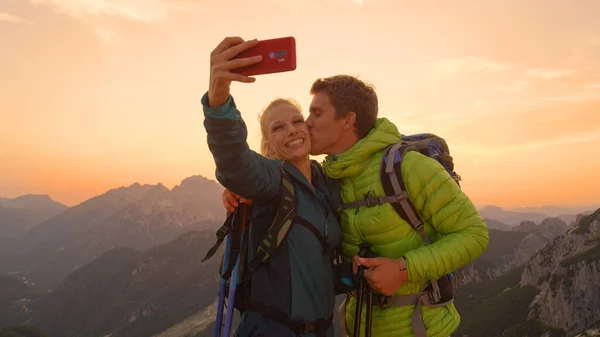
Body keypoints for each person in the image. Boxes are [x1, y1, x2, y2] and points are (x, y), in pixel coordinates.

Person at [221, 63, 490, 335]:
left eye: (313, 114)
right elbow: (244, 168)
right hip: (356, 326)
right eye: (283, 125)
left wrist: (403, 269)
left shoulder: (404, 168)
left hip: (418, 327)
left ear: (348, 120)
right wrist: (239, 188)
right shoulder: (329, 179)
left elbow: (475, 233)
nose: (306, 124)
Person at [202, 36, 356, 337]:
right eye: (278, 127)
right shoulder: (271, 181)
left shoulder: (327, 185)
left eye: (297, 121)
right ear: (269, 147)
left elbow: (311, 271)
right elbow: (234, 161)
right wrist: (218, 101)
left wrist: (356, 275)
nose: (292, 130)